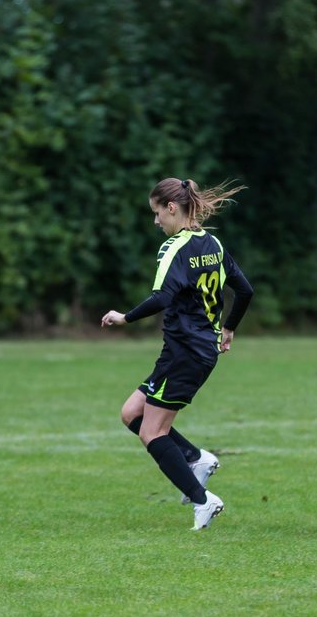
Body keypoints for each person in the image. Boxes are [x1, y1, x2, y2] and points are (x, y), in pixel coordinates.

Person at [102, 177, 254, 530]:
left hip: (186, 351)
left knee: (152, 433)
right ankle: (196, 459)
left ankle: (203, 501)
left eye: (157, 213)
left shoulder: (174, 248)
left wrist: (125, 317)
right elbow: (244, 290)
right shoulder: (212, 243)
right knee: (131, 414)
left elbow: (161, 298)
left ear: (172, 208)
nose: (156, 221)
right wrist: (229, 327)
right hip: (189, 350)